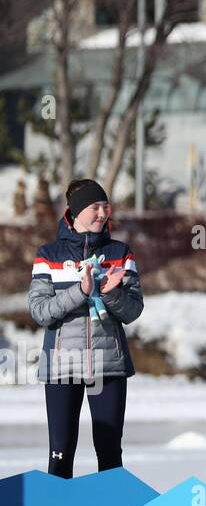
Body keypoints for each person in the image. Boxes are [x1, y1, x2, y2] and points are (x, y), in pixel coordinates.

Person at [27, 179, 144, 478]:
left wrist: (108, 292)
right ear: (75, 212)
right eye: (95, 207)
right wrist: (80, 291)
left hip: (109, 367)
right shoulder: (48, 255)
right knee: (61, 451)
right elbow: (41, 311)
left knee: (109, 452)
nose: (102, 214)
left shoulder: (120, 253)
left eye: (106, 207)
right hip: (63, 366)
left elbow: (132, 311)